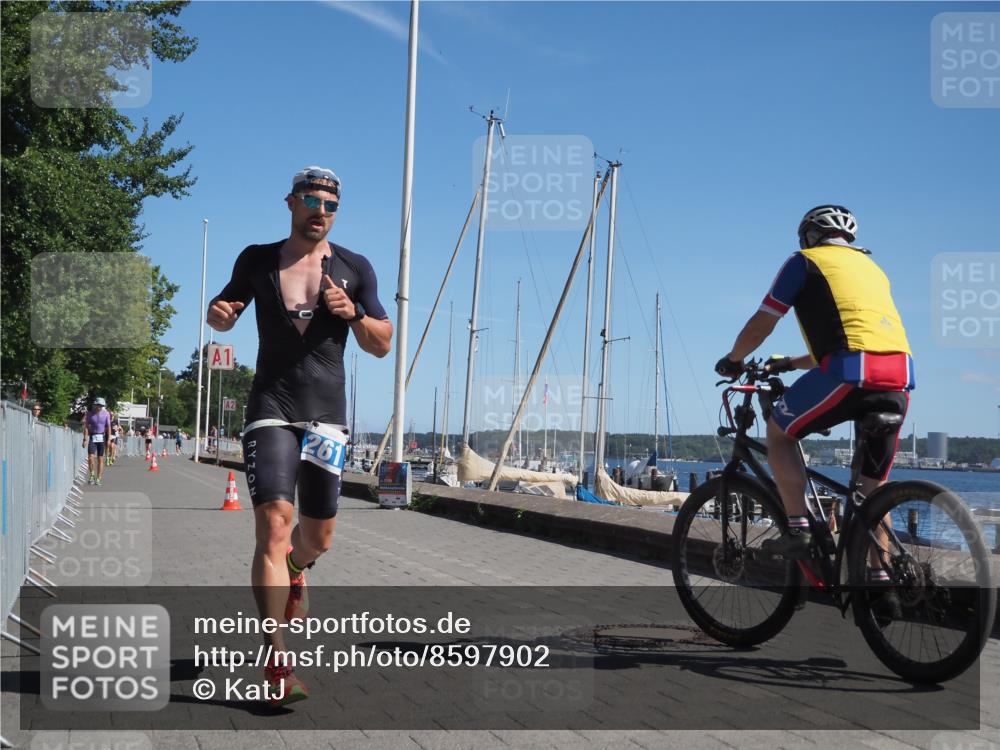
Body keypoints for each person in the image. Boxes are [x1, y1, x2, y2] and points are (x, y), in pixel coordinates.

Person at [207, 165, 392, 705]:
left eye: (331, 204)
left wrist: (354, 313)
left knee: (317, 539)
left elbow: (382, 343)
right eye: (312, 200)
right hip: (271, 405)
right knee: (274, 522)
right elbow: (224, 313)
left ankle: (296, 571)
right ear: (290, 202)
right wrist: (219, 316)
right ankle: (276, 656)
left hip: (326, 416)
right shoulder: (257, 259)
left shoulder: (355, 268)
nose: (321, 211)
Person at [715, 205, 913, 569]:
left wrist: (734, 359)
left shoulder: (804, 262)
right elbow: (855, 338)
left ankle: (798, 530)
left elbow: (762, 323)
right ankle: (882, 583)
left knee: (779, 432)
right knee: (874, 489)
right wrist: (790, 362)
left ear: (809, 236)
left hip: (850, 372)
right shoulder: (873, 269)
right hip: (898, 376)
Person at [83, 398, 112, 485]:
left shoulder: (106, 414)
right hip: (92, 436)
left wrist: (109, 439)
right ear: (95, 405)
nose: (99, 407)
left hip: (101, 437)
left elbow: (108, 427)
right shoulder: (90, 414)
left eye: (101, 406)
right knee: (91, 457)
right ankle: (92, 474)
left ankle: (98, 478)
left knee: (100, 459)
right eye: (98, 406)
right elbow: (86, 427)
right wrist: (85, 439)